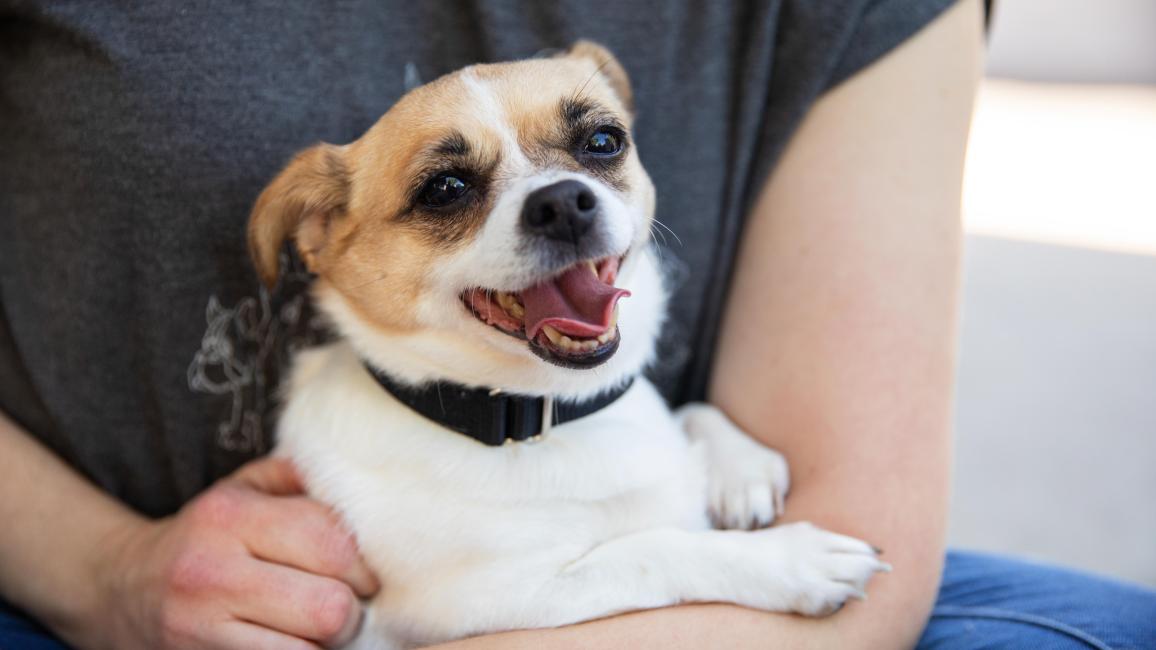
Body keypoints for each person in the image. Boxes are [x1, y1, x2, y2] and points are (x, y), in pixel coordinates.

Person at [1, 1, 1154, 648]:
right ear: (323, 237)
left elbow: (861, 550)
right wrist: (103, 569)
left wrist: (706, 433)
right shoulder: (362, 464)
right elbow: (451, 606)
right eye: (450, 191)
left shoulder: (589, 350)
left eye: (593, 145)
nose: (559, 199)